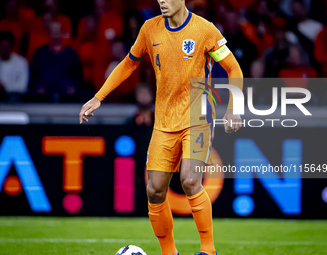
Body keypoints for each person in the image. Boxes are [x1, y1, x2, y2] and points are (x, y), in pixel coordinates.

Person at [79, 1, 243, 255]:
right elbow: (128, 63)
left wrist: (234, 108)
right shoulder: (150, 29)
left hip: (197, 120)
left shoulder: (205, 30)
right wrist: (99, 97)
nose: (161, 2)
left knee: (189, 180)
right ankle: (169, 252)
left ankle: (208, 251)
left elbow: (234, 68)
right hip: (164, 123)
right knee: (154, 190)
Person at [0, 31, 29, 102]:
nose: (5, 50)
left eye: (7, 47)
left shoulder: (21, 62)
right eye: (2, 47)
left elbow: (22, 86)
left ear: (11, 46)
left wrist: (5, 87)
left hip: (15, 100)